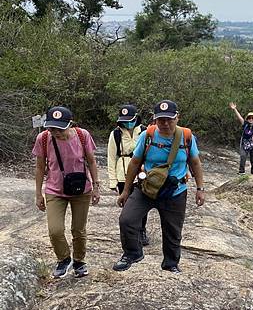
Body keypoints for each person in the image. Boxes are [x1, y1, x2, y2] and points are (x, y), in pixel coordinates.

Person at [113, 100, 205, 274]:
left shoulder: (186, 137)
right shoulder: (148, 135)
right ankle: (132, 253)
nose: (165, 123)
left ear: (177, 118)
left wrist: (200, 189)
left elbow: (195, 163)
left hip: (175, 192)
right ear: (155, 119)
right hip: (147, 188)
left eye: (169, 119)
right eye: (160, 119)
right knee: (127, 219)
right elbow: (134, 163)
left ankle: (170, 263)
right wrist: (125, 190)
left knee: (173, 230)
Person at [32, 106, 100, 278]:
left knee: (78, 229)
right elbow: (40, 167)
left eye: (59, 129)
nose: (55, 132)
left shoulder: (82, 136)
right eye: (51, 127)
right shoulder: (44, 138)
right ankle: (63, 259)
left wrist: (96, 187)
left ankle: (79, 261)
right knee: (55, 230)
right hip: (55, 190)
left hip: (81, 190)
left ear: (69, 124)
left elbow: (91, 162)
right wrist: (38, 193)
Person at [107, 104, 150, 246]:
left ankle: (141, 230)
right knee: (127, 206)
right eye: (125, 121)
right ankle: (129, 232)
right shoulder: (116, 134)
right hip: (123, 173)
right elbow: (111, 158)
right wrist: (112, 181)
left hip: (142, 173)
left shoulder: (145, 131)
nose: (128, 123)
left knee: (143, 203)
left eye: (130, 120)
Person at [229, 102, 253, 175]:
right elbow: (239, 117)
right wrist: (235, 109)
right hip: (245, 143)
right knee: (243, 156)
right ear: (247, 119)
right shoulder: (245, 124)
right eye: (249, 118)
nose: (251, 119)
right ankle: (241, 172)